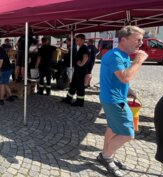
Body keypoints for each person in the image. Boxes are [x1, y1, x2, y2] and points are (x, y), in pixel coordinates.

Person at [96, 26, 148, 177]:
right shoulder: (115, 56)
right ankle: (105, 157)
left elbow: (120, 78)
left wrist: (129, 89)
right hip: (114, 100)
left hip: (114, 97)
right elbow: (125, 76)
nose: (141, 43)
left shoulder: (123, 55)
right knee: (127, 133)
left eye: (141, 40)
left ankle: (106, 154)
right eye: (137, 40)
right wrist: (139, 60)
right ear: (123, 40)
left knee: (112, 127)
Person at [63, 34, 89, 107]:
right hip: (77, 70)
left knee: (80, 86)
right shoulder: (80, 48)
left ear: (83, 40)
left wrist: (81, 64)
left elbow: (86, 57)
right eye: (76, 40)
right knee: (73, 84)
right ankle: (68, 98)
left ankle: (80, 102)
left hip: (81, 71)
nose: (77, 42)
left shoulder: (84, 48)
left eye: (78, 40)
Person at [0, 41, 16, 106]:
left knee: (1, 84)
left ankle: (1, 100)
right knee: (4, 84)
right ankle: (10, 97)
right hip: (5, 70)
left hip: (6, 70)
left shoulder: (0, 51)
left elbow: (0, 65)